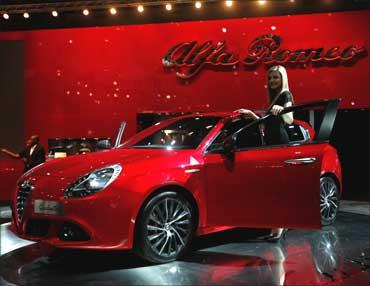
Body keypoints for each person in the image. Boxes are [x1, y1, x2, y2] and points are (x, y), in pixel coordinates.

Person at [235, 65, 294, 242]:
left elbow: (290, 120)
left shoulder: (285, 96)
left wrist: (281, 110)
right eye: (270, 78)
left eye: (276, 77)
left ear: (283, 78)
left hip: (280, 146)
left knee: (277, 189)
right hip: (270, 146)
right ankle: (277, 228)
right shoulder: (273, 98)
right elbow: (266, 124)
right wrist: (252, 115)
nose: (272, 81)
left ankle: (279, 229)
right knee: (272, 188)